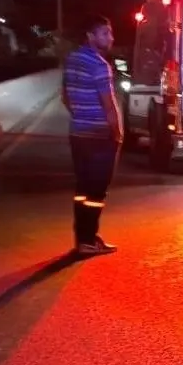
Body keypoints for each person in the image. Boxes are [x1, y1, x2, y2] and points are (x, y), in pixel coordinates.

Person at [62, 15, 122, 255]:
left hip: (78, 133)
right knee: (97, 191)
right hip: (98, 136)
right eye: (105, 33)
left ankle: (83, 238)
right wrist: (117, 134)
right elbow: (109, 104)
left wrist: (80, 116)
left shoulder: (72, 59)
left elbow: (64, 96)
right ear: (90, 36)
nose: (111, 38)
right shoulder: (99, 65)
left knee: (82, 189)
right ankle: (88, 241)